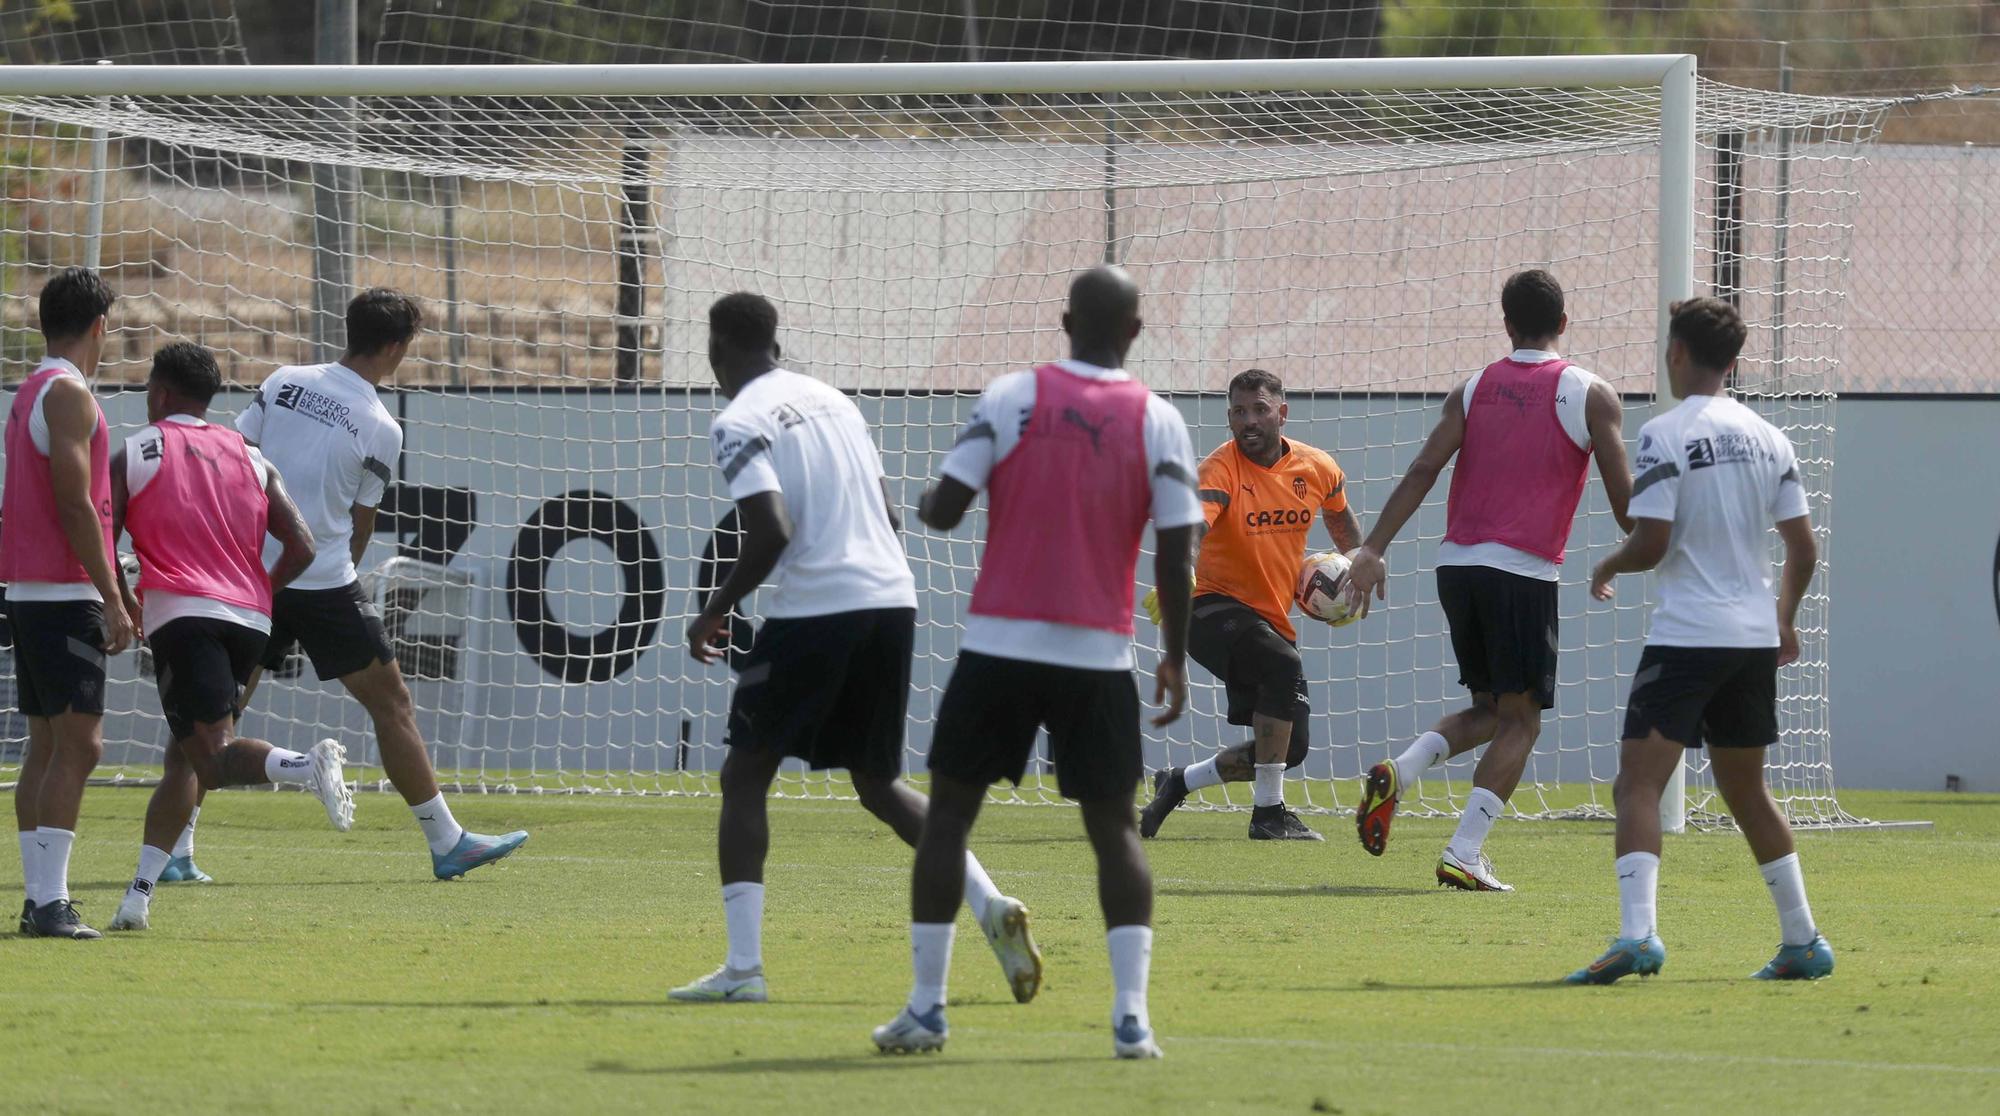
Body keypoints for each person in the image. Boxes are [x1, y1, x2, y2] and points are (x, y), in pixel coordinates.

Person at [671, 292, 1041, 1006]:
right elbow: (892, 513)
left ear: (717, 348)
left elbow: (771, 530)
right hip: (890, 599)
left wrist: (713, 609)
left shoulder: (738, 419)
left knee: (745, 777)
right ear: (774, 340)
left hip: (818, 608)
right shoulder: (834, 401)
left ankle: (744, 970)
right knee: (877, 783)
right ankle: (990, 902)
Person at [871, 266, 1199, 1060]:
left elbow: (946, 511)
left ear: (1063, 320)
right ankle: (1131, 1020)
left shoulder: (1010, 397)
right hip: (1099, 656)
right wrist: (1176, 659)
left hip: (999, 648)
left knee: (948, 818)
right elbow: (1178, 555)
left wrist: (900, 506)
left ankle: (926, 1009)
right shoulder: (1160, 420)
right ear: (1135, 331)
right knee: (1114, 830)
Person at [186, 288, 526, 880]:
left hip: (250, 574)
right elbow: (359, 527)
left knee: (218, 718)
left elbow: (232, 457)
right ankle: (447, 842)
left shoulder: (284, 378)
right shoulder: (380, 427)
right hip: (319, 582)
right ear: (396, 347)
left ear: (350, 329)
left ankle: (172, 850)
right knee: (391, 704)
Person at [1567, 297, 1832, 984]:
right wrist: (1784, 617)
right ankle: (1803, 940)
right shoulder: (1771, 437)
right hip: (1749, 639)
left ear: (1677, 353)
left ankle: (1638, 936)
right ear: (1734, 360)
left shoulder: (1664, 432)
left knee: (1637, 786)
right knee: (1748, 792)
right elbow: (1804, 549)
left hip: (1688, 638)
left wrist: (1607, 563)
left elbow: (1651, 542)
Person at [1345, 269, 1634, 891]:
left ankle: (1401, 769)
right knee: (1522, 722)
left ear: (1506, 324)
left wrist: (1372, 548)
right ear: (1564, 321)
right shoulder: (1590, 394)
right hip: (1522, 572)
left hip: (1457, 568)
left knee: (1489, 708)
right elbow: (1626, 508)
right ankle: (1464, 852)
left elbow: (1425, 467)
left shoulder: (1473, 388)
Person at [104, 343, 344, 931]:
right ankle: (137, 898)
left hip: (186, 616)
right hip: (250, 621)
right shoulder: (249, 452)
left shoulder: (138, 449)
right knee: (183, 758)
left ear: (160, 393)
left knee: (208, 759)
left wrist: (122, 595)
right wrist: (261, 586)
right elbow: (304, 544)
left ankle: (303, 765)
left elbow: (99, 528)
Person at [1138, 368, 1363, 841]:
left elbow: (1344, 528)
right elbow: (1193, 529)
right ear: (1229, 419)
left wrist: (1359, 567)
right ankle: (1269, 815)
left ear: (1282, 412)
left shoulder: (1318, 468)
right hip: (1205, 607)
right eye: (1239, 412)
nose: (1249, 420)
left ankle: (1179, 781)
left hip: (1268, 619)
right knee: (1283, 665)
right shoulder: (1219, 470)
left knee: (1288, 748)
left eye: (1259, 408)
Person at [4, 267, 132, 939]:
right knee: (80, 745)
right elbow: (75, 501)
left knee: (49, 746)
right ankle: (49, 903)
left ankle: (38, 900)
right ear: (98, 326)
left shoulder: (31, 390)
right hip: (61, 592)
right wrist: (110, 594)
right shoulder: (69, 395)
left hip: (31, 591)